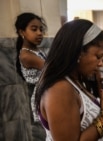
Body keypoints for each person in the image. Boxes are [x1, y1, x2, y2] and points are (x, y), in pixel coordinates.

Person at [34, 19, 103, 141]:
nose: (100, 64)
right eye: (98, 56)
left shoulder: (75, 79)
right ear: (78, 52)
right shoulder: (59, 89)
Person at [15, 12, 47, 141]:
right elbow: (53, 70)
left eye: (41, 29)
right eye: (34, 29)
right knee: (42, 133)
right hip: (39, 97)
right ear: (22, 31)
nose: (39, 33)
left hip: (44, 94)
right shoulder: (26, 55)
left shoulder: (36, 50)